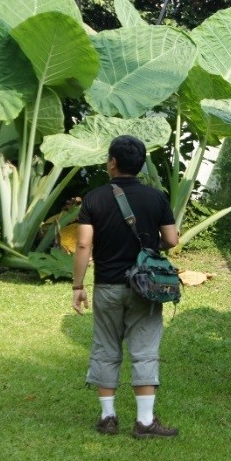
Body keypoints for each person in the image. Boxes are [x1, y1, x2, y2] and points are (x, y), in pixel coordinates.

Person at [72, 135, 180, 439]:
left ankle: (108, 417)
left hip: (107, 285)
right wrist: (148, 246)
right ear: (141, 164)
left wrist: (77, 285)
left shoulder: (94, 198)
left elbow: (83, 244)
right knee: (144, 350)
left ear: (112, 162)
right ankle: (145, 422)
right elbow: (171, 240)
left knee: (106, 348)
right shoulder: (156, 197)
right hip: (144, 287)